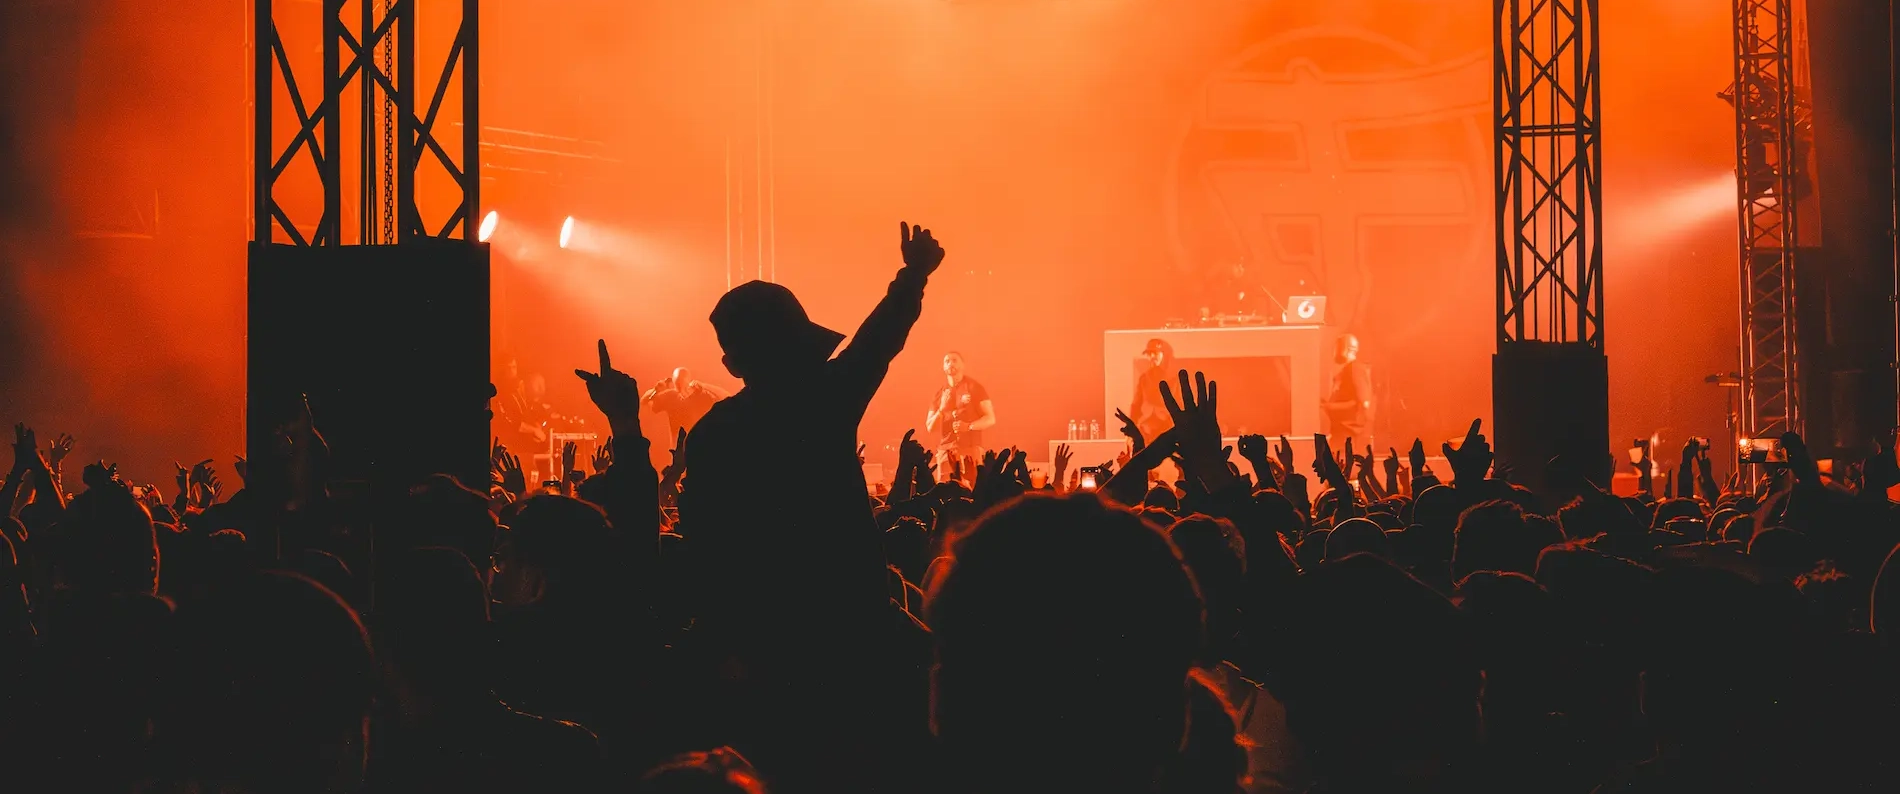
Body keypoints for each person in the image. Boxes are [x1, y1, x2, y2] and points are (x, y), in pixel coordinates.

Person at [925, 351, 995, 474]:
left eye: (954, 360)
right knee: (945, 491)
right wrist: (941, 409)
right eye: (947, 361)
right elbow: (930, 427)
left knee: (971, 491)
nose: (950, 363)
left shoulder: (974, 387)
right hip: (946, 451)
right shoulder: (939, 394)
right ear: (943, 367)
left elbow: (990, 418)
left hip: (970, 451)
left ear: (963, 365)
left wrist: (968, 426)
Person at [642, 367, 730, 439]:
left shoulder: (702, 396)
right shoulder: (670, 396)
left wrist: (704, 385)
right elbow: (643, 402)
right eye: (677, 384)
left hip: (701, 441)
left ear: (688, 380)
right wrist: (655, 390)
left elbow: (726, 395)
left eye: (682, 382)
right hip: (679, 447)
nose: (680, 388)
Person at [1322, 333, 1372, 444]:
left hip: (1348, 433)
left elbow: (1363, 402)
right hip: (1340, 431)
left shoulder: (1355, 369)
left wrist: (1332, 407)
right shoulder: (1346, 370)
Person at [1129, 338, 1176, 442]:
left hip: (1168, 428)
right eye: (1149, 354)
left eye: (1155, 353)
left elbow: (1183, 405)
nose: (1152, 357)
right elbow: (1136, 405)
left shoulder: (1176, 378)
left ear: (1165, 354)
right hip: (1146, 430)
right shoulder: (1145, 378)